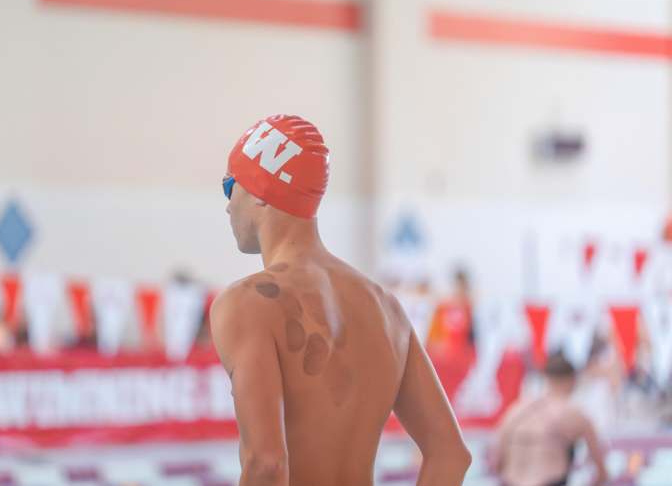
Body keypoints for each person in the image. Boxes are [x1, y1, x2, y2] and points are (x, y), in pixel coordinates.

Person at [210, 115, 470, 486]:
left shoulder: (246, 304)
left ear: (260, 191)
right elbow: (450, 456)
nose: (226, 204)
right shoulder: (386, 308)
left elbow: (266, 463)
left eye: (228, 186)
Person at [491, 352, 608, 486]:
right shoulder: (574, 414)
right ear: (572, 380)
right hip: (548, 481)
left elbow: (498, 463)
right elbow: (601, 472)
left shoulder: (514, 412)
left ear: (545, 377)